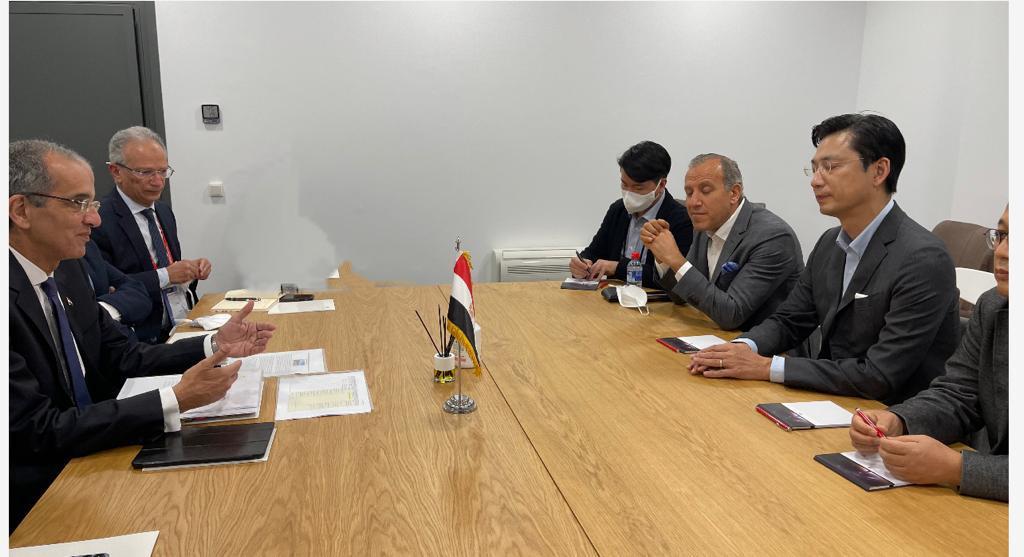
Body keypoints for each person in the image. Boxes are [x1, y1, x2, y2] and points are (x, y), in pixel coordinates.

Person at [8, 139, 276, 530]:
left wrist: (215, 343)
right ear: (21, 211)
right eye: (78, 203)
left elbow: (125, 355)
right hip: (37, 496)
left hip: (97, 453)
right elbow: (38, 431)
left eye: (92, 204)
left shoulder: (66, 271)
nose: (94, 219)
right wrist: (174, 399)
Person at [689, 114, 959, 405]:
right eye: (814, 168)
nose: (816, 181)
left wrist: (768, 367)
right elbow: (790, 320)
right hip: (832, 399)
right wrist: (744, 347)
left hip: (890, 415)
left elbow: (879, 374)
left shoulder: (923, 258)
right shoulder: (831, 243)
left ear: (879, 171)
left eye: (830, 167)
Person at [850, 206, 1008, 502]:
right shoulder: (994, 306)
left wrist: (958, 468)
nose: (1002, 251)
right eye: (1001, 235)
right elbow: (957, 394)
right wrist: (898, 420)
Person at [640, 153, 803, 330]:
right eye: (689, 193)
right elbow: (682, 296)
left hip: (763, 343)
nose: (693, 202)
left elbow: (731, 314)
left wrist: (676, 260)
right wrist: (663, 259)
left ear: (734, 193)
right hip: (715, 334)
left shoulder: (773, 237)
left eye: (705, 191)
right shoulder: (706, 224)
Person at [91, 126, 212, 343]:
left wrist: (190, 271)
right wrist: (166, 275)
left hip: (182, 325)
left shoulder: (163, 211)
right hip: (141, 339)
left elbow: (167, 268)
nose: (158, 182)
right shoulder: (99, 220)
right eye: (145, 172)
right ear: (116, 172)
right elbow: (106, 289)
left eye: (163, 171)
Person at [570, 141, 692, 289]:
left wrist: (617, 267)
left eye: (638, 188)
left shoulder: (681, 219)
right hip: (615, 296)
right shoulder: (618, 210)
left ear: (661, 185)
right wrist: (582, 263)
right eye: (624, 184)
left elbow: (672, 278)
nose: (629, 193)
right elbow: (594, 252)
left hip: (655, 300)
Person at [83, 239, 152, 340]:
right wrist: (114, 301)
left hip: (124, 343)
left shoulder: (88, 246)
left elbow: (138, 290)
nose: (90, 231)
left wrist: (104, 310)